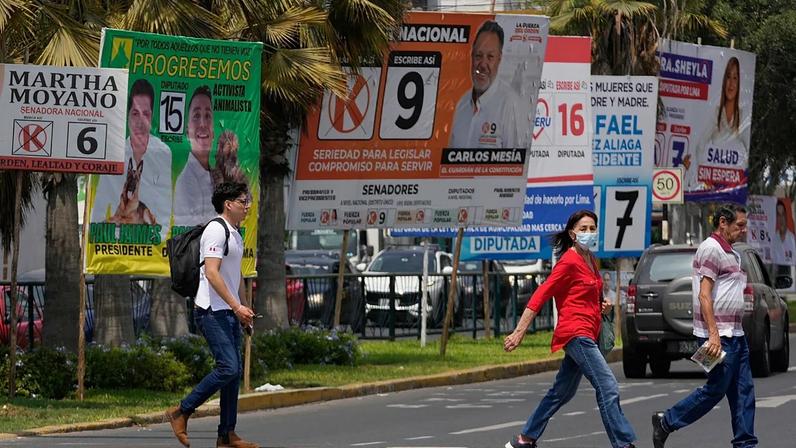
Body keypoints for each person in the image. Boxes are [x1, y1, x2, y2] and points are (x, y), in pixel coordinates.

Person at [503, 210, 637, 448]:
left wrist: (601, 306)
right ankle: (624, 444)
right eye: (583, 229)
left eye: (592, 228)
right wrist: (519, 331)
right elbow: (541, 294)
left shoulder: (590, 260)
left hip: (589, 332)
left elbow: (588, 296)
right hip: (577, 334)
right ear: (573, 234)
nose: (589, 233)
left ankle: (525, 439)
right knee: (608, 386)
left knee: (561, 392)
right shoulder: (568, 261)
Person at [652, 204, 756, 448]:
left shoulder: (732, 253)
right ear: (722, 223)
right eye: (739, 225)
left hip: (736, 335)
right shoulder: (711, 250)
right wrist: (713, 335)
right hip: (718, 337)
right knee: (716, 389)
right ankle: (666, 421)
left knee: (743, 393)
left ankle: (745, 444)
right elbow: (704, 296)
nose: (743, 230)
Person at [166, 182, 258, 448]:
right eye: (243, 201)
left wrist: (244, 307)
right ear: (228, 204)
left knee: (234, 372)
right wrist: (235, 306)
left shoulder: (235, 233)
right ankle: (181, 411)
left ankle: (226, 434)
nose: (247, 206)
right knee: (227, 367)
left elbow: (235, 275)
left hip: (228, 311)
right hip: (210, 311)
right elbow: (212, 273)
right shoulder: (216, 231)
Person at [91, 78, 171, 234]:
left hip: (151, 247)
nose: (140, 122)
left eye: (146, 114)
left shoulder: (163, 153)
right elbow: (98, 212)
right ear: (127, 116)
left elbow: (165, 214)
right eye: (135, 113)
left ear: (152, 116)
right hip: (116, 246)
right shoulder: (113, 152)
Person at [449, 20, 526, 149]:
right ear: (471, 57)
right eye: (478, 56)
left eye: (490, 57)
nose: (483, 65)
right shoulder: (462, 105)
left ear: (499, 59)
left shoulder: (509, 103)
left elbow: (514, 165)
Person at [684, 57, 747, 191]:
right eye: (728, 77)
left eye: (735, 78)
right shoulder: (716, 113)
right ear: (724, 81)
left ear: (739, 82)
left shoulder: (743, 116)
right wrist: (704, 175)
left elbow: (746, 151)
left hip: (733, 184)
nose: (731, 84)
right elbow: (699, 145)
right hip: (714, 183)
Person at [174, 85, 218, 226]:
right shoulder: (185, 182)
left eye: (208, 116)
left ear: (213, 132)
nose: (203, 124)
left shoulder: (216, 176)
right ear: (187, 133)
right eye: (196, 116)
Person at [771, 198, 795, 266]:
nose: (781, 218)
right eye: (778, 215)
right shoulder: (774, 239)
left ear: (786, 216)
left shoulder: (792, 238)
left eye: (783, 214)